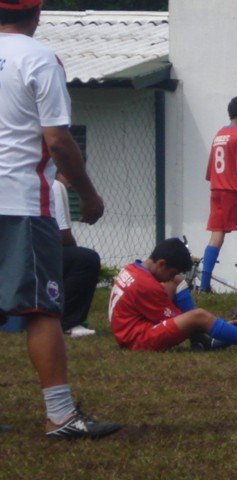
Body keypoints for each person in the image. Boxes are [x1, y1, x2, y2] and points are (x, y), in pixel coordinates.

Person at [0, 0, 120, 439]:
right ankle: (60, 414)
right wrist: (87, 194)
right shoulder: (39, 58)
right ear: (37, 14)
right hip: (20, 199)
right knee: (42, 309)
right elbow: (58, 141)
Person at [108, 238, 237, 353]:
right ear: (161, 263)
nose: (171, 277)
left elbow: (176, 310)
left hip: (126, 330)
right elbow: (185, 321)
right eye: (171, 272)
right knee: (199, 316)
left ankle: (202, 341)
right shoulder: (147, 286)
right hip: (136, 340)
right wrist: (217, 326)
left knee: (177, 283)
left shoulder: (132, 268)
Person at [200, 96, 237, 296]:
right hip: (234, 192)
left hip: (216, 190)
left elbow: (210, 171)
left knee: (217, 235)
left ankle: (204, 284)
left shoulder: (219, 134)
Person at [52, 173, 100, 337]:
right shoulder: (55, 186)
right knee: (86, 260)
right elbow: (63, 236)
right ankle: (68, 321)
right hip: (34, 254)